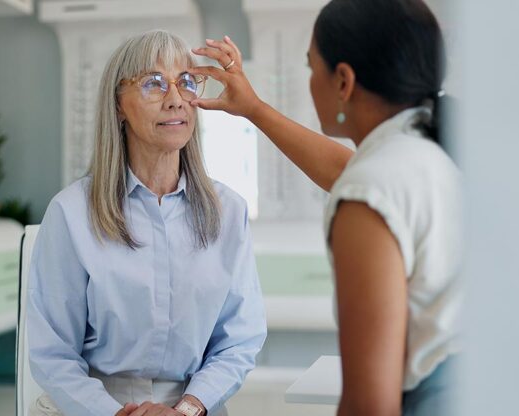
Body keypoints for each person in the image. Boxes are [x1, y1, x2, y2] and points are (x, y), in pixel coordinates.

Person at [189, 0, 461, 414]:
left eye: (311, 66)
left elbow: (369, 405)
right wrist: (254, 109)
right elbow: (350, 170)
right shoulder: (436, 153)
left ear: (343, 81)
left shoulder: (370, 194)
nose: (310, 81)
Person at [27, 30, 267, 416]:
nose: (175, 100)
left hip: (197, 407)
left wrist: (188, 408)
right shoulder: (71, 213)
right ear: (118, 106)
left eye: (186, 82)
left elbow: (239, 339)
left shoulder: (229, 211)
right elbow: (52, 353)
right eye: (153, 84)